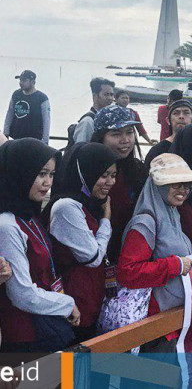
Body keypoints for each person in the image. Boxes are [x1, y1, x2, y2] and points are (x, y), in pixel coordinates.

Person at [117, 154, 192, 353]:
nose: (183, 191)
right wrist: (175, 265)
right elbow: (128, 272)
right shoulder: (145, 223)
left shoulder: (171, 214)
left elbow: (169, 252)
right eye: (175, 184)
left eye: (187, 185)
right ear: (158, 186)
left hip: (174, 317)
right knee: (161, 377)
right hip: (157, 323)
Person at [0, 139, 79, 352]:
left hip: (44, 322)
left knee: (69, 380)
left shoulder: (28, 214)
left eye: (52, 175)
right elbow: (22, 295)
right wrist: (67, 303)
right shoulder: (7, 225)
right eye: (41, 174)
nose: (48, 183)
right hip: (25, 335)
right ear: (20, 173)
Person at [45, 143, 118, 342]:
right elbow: (93, 257)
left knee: (90, 354)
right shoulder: (67, 207)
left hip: (91, 292)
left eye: (113, 175)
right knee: (74, 358)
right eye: (103, 175)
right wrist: (106, 220)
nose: (110, 182)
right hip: (75, 295)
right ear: (85, 172)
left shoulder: (89, 202)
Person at [91, 104, 147, 262]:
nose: (125, 140)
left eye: (129, 132)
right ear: (100, 137)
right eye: (116, 133)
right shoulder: (88, 172)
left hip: (130, 252)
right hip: (95, 251)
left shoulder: (138, 170)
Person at [145, 99, 192, 169]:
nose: (181, 116)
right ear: (168, 120)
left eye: (186, 113)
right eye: (176, 113)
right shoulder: (158, 151)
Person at [3, 70, 50, 144]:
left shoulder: (42, 98)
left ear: (33, 82)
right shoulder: (16, 94)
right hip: (16, 137)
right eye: (20, 80)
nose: (21, 83)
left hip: (34, 140)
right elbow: (9, 114)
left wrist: (45, 141)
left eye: (24, 80)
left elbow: (46, 120)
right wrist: (6, 133)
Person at [73, 77, 115, 143]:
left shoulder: (107, 119)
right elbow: (80, 150)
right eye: (106, 95)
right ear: (95, 96)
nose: (110, 98)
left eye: (111, 95)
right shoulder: (87, 122)